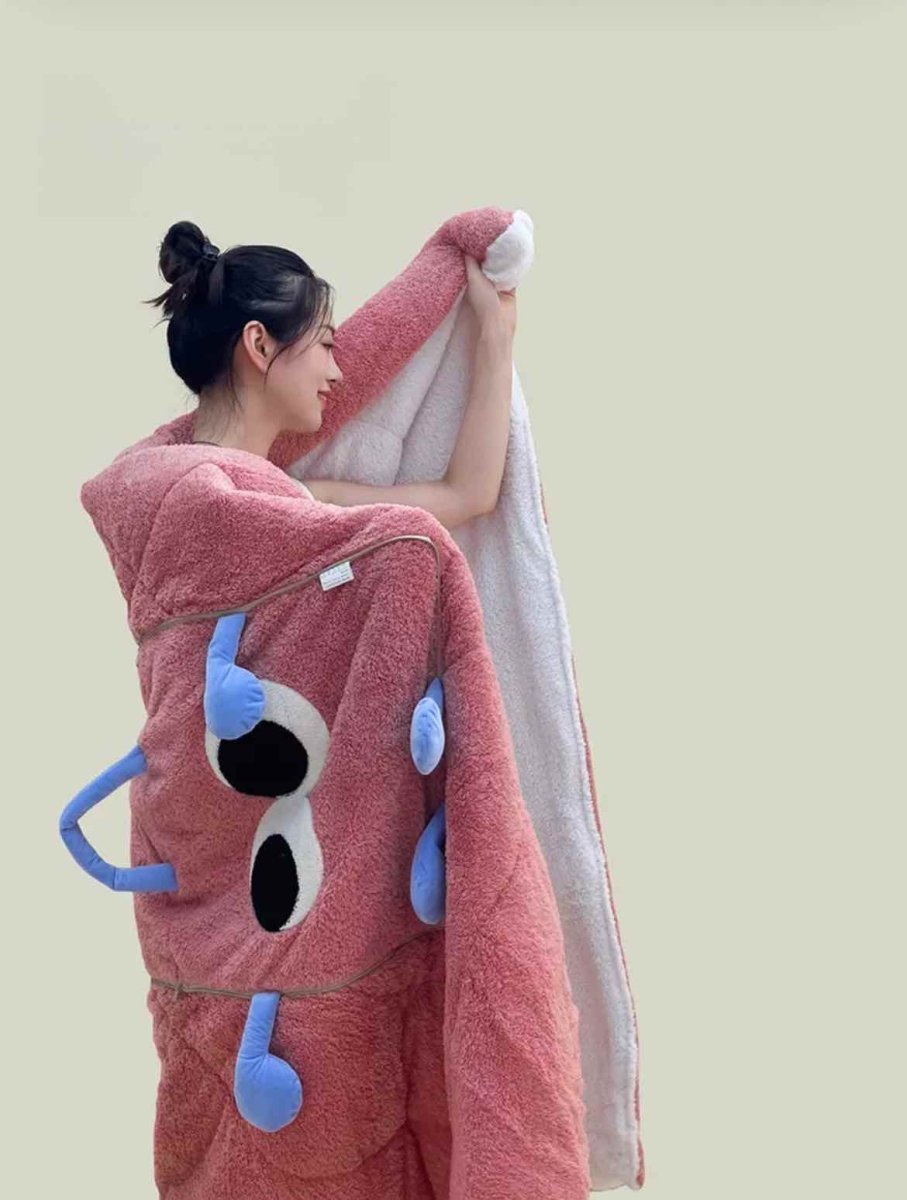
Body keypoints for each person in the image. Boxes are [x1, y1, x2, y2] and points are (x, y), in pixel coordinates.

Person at [145, 221, 517, 530]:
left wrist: (496, 337)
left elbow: (467, 495)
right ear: (260, 345)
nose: (337, 373)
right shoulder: (195, 503)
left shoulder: (298, 501)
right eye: (325, 344)